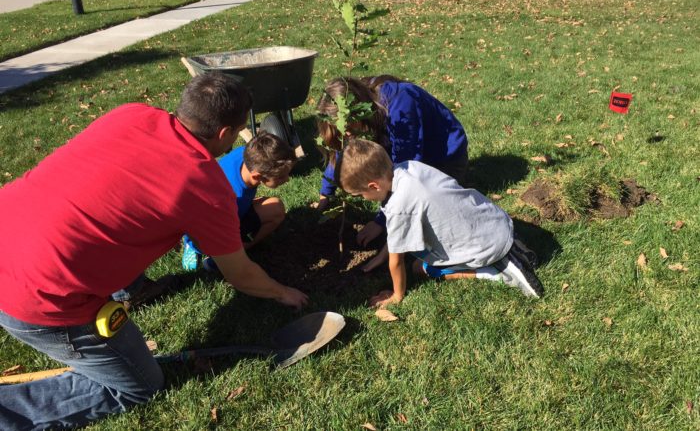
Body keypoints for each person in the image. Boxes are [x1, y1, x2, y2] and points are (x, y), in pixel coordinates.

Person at [0, 72, 308, 430]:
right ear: (225, 134)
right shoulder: (205, 187)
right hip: (40, 294)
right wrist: (283, 292)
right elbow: (239, 273)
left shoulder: (131, 114)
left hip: (12, 229)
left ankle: (129, 288)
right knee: (140, 385)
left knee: (119, 213)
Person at [336, 139, 543, 308]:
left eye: (360, 194)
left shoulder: (400, 205)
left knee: (419, 267)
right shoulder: (409, 168)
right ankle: (510, 251)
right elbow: (396, 234)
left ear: (374, 186)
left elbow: (397, 261)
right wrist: (380, 257)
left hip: (485, 246)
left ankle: (494, 273)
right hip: (495, 223)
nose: (363, 198)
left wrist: (396, 295)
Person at [314, 75, 469, 261]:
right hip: (406, 158)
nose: (346, 133)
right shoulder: (356, 118)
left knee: (425, 209)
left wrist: (381, 221)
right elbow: (342, 151)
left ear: (358, 107)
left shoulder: (402, 105)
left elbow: (407, 171)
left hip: (443, 160)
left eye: (347, 127)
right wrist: (326, 194)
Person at [181, 130, 297, 270]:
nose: (287, 179)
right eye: (280, 177)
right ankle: (196, 249)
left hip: (229, 214)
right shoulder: (232, 196)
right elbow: (209, 224)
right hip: (210, 225)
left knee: (276, 208)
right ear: (257, 176)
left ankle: (243, 247)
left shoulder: (248, 155)